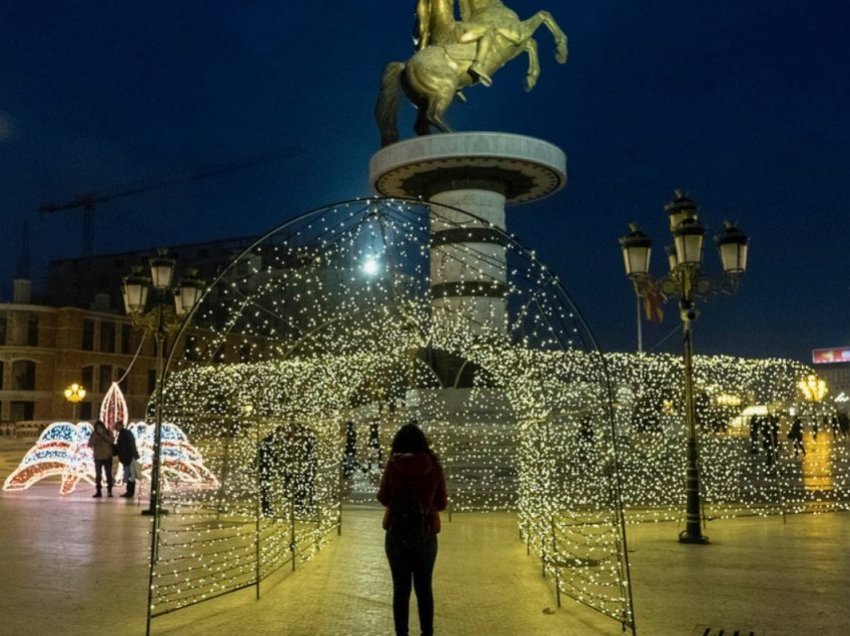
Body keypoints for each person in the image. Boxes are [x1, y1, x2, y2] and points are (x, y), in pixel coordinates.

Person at [377, 423, 448, 636]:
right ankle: (427, 633)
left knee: (400, 590)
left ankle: (402, 633)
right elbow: (442, 503)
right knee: (424, 588)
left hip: (397, 535)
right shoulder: (432, 464)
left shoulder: (393, 464)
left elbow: (383, 497)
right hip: (425, 534)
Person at [88, 420, 115, 498]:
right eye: (97, 428)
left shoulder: (108, 432)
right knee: (98, 475)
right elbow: (90, 444)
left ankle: (109, 491)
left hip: (107, 457)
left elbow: (112, 441)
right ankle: (98, 491)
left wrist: (103, 435)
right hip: (98, 457)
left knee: (108, 474)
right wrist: (97, 437)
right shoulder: (94, 434)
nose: (99, 429)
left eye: (100, 427)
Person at [114, 421, 139, 498]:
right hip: (128, 457)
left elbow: (125, 446)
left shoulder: (124, 434)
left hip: (128, 457)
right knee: (130, 475)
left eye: (117, 426)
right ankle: (130, 491)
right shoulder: (125, 433)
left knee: (129, 475)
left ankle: (130, 492)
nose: (116, 428)